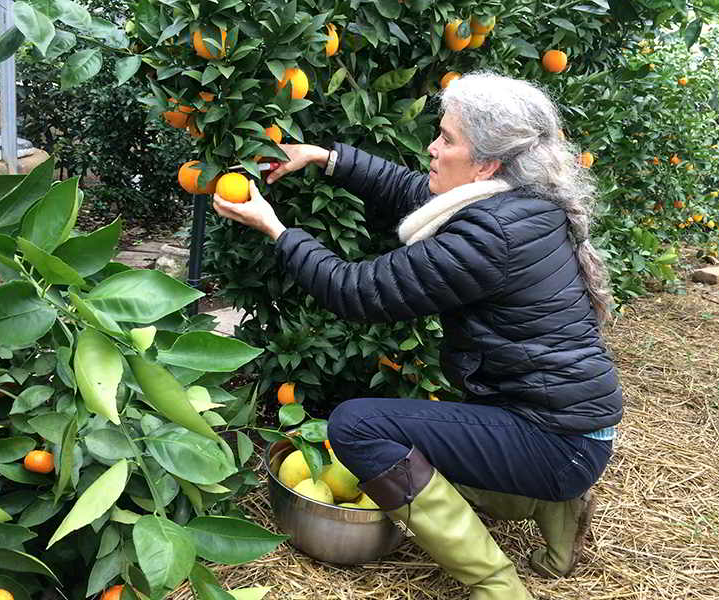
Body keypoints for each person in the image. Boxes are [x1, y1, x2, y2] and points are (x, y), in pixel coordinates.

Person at [213, 71, 622, 600]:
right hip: (577, 431)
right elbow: (416, 189)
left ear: (486, 163)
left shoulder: (490, 233)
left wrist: (276, 228)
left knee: (357, 427)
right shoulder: (522, 204)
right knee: (428, 435)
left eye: (447, 139)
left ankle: (498, 587)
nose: (431, 146)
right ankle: (559, 524)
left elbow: (356, 291)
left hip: (554, 443)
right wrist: (321, 156)